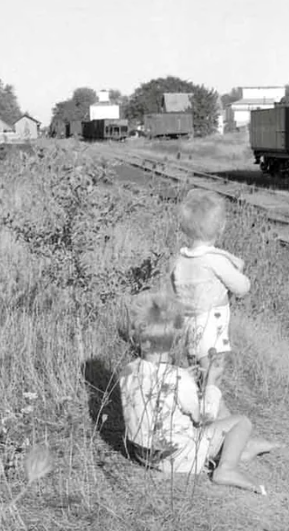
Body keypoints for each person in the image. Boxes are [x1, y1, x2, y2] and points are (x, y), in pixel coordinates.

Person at [118, 290, 276, 493]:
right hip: (177, 459)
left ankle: (238, 449)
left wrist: (182, 377)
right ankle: (227, 468)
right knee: (241, 421)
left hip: (141, 452)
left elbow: (155, 391)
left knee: (209, 420)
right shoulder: (179, 379)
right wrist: (211, 383)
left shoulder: (128, 370)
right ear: (175, 338)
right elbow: (204, 416)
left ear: (137, 338)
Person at [171, 189, 251, 419]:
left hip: (188, 326)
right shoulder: (215, 260)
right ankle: (210, 418)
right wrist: (240, 272)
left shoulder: (180, 259)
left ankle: (200, 409)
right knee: (213, 373)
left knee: (198, 372)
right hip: (211, 327)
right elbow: (242, 287)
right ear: (221, 227)